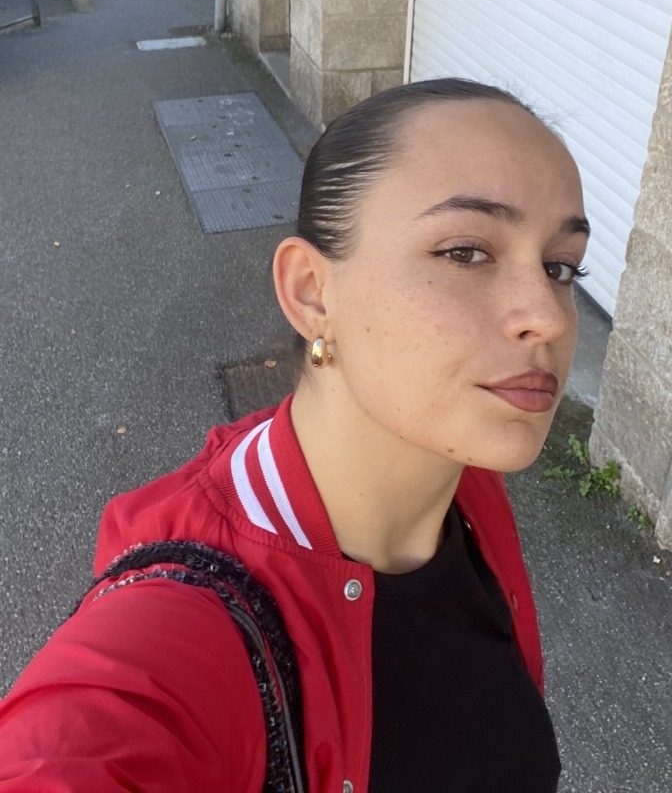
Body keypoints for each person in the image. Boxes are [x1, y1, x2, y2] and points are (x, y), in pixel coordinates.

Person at [0, 77, 590, 792]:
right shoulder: (180, 628)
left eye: (560, 266)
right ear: (312, 291)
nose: (548, 316)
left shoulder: (465, 478)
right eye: (466, 251)